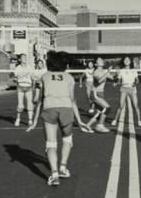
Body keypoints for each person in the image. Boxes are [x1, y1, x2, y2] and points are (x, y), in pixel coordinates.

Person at [26, 50, 90, 186]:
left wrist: (34, 121)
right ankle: (62, 167)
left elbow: (40, 101)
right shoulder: (69, 77)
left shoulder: (44, 76)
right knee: (67, 139)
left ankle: (54, 175)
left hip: (49, 108)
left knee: (51, 144)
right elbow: (73, 101)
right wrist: (80, 121)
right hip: (66, 109)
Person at [111, 56, 141, 127]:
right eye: (125, 59)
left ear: (130, 61)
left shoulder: (134, 70)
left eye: (128, 59)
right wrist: (116, 83)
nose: (126, 60)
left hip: (132, 89)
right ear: (123, 61)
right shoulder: (121, 70)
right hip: (123, 89)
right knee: (120, 106)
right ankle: (115, 120)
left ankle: (139, 120)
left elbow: (138, 80)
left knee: (135, 106)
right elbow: (119, 81)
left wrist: (135, 83)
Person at [87, 57, 113, 133]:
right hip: (95, 93)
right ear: (96, 64)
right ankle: (100, 126)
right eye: (99, 60)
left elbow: (113, 79)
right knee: (107, 108)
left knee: (100, 112)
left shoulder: (104, 71)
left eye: (102, 60)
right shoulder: (96, 71)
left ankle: (88, 125)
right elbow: (99, 81)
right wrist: (107, 72)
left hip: (101, 93)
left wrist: (118, 75)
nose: (101, 61)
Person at [12, 55, 34, 127]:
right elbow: (14, 77)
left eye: (25, 58)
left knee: (30, 104)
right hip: (20, 87)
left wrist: (33, 86)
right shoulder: (18, 68)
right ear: (20, 59)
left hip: (28, 87)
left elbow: (32, 77)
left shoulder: (29, 67)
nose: (24, 59)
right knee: (20, 105)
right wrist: (16, 80)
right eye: (23, 58)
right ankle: (18, 119)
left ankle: (30, 120)